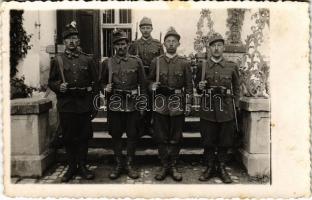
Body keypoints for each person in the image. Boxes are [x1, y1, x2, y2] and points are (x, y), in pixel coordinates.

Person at [48, 21, 98, 182]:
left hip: (84, 103)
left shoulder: (87, 60)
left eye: (74, 38)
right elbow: (51, 81)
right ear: (64, 42)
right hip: (67, 104)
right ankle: (71, 167)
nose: (71, 42)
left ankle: (83, 166)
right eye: (68, 39)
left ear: (78, 41)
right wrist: (58, 86)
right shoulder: (58, 60)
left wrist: (94, 104)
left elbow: (95, 83)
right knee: (69, 137)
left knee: (83, 136)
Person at [100, 30, 146, 180]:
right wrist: (104, 88)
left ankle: (129, 164)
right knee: (116, 135)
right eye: (118, 44)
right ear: (114, 46)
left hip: (132, 105)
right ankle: (119, 164)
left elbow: (143, 85)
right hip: (115, 104)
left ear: (128, 45)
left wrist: (142, 104)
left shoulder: (136, 61)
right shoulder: (108, 63)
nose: (121, 47)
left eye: (123, 44)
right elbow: (100, 82)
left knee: (132, 135)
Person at [148, 27, 193, 182]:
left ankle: (172, 165)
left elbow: (189, 86)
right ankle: (164, 165)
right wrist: (151, 86)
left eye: (174, 41)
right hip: (160, 102)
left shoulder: (184, 63)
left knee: (176, 137)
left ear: (178, 44)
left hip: (177, 103)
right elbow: (149, 81)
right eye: (168, 41)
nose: (171, 44)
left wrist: (188, 104)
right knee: (161, 136)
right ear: (164, 44)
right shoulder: (157, 61)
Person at [195, 32, 240, 183]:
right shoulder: (203, 66)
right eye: (213, 46)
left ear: (223, 47)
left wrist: (237, 105)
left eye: (219, 45)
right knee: (208, 140)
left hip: (226, 109)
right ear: (209, 48)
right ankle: (209, 167)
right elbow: (198, 88)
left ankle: (221, 167)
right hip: (207, 108)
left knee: (224, 141)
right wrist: (199, 87)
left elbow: (237, 88)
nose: (216, 48)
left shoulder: (231, 67)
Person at [129, 17, 164, 136]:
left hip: (151, 76)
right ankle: (140, 127)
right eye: (143, 28)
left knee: (150, 101)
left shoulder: (157, 44)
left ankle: (149, 126)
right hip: (138, 76)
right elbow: (129, 60)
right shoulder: (134, 44)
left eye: (148, 28)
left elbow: (162, 61)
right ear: (140, 29)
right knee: (139, 101)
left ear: (152, 28)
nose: (145, 30)